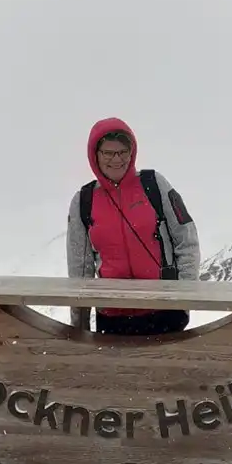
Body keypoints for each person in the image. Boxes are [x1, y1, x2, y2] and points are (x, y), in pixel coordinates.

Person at [66, 117, 200, 336]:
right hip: (112, 317)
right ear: (95, 156)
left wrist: (183, 299)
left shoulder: (154, 184)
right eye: (108, 153)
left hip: (164, 311)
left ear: (132, 152)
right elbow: (80, 269)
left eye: (122, 152)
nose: (116, 159)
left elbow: (186, 239)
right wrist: (79, 327)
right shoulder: (84, 200)